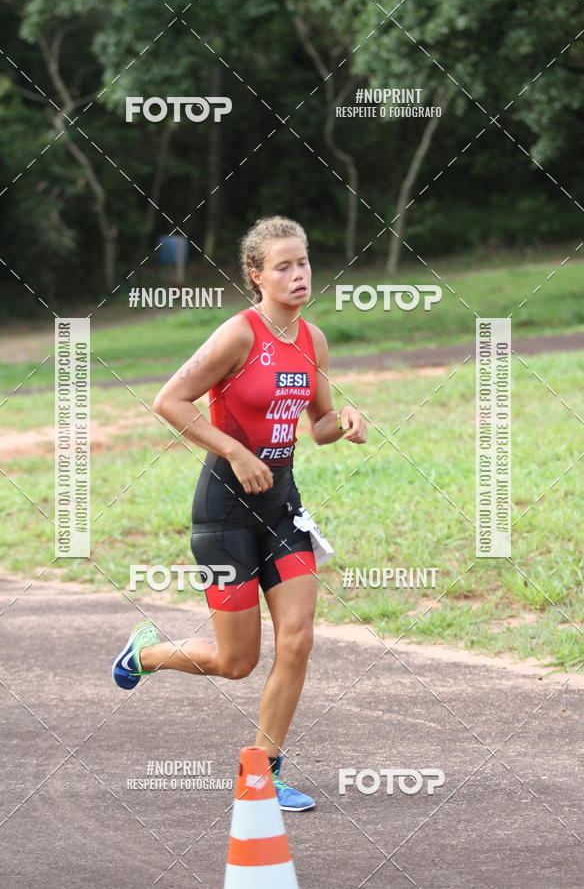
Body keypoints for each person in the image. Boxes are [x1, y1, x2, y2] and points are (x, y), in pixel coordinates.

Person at [113, 215, 367, 811]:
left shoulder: (313, 341)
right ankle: (144, 654)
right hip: (224, 511)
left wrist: (346, 420)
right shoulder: (238, 335)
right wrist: (233, 450)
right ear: (256, 275)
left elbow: (320, 426)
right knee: (236, 661)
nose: (298, 274)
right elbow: (168, 400)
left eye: (303, 262)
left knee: (298, 641)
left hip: (282, 509)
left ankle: (263, 770)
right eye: (284, 266)